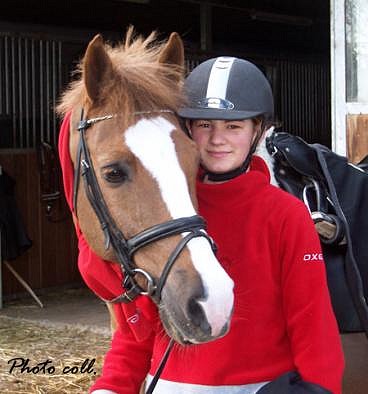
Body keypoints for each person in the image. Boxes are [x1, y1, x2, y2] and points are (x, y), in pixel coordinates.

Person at [58, 56, 345, 394]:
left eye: (233, 126)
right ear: (187, 129)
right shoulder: (167, 211)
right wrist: (111, 386)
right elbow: (138, 331)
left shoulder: (286, 214)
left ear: (257, 132)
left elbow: (313, 327)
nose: (216, 139)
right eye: (204, 124)